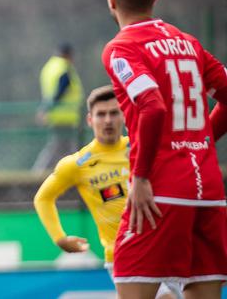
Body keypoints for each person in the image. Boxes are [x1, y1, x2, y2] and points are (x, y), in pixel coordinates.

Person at [102, 0, 227, 299]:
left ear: (111, 1)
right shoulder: (189, 43)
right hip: (208, 191)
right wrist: (201, 141)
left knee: (129, 280)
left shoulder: (121, 48)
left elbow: (152, 105)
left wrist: (140, 177)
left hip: (159, 190)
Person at [34, 85, 181, 299]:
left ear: (123, 114)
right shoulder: (78, 164)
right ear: (89, 120)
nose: (108, 120)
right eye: (101, 114)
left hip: (163, 249)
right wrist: (60, 238)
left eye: (114, 113)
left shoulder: (142, 148)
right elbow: (43, 198)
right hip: (123, 254)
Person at [33, 43, 84, 171]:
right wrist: (48, 108)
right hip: (66, 114)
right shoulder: (63, 67)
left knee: (64, 147)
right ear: (68, 55)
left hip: (55, 115)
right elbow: (61, 88)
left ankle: (73, 170)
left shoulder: (49, 67)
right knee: (61, 146)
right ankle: (39, 170)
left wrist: (46, 109)